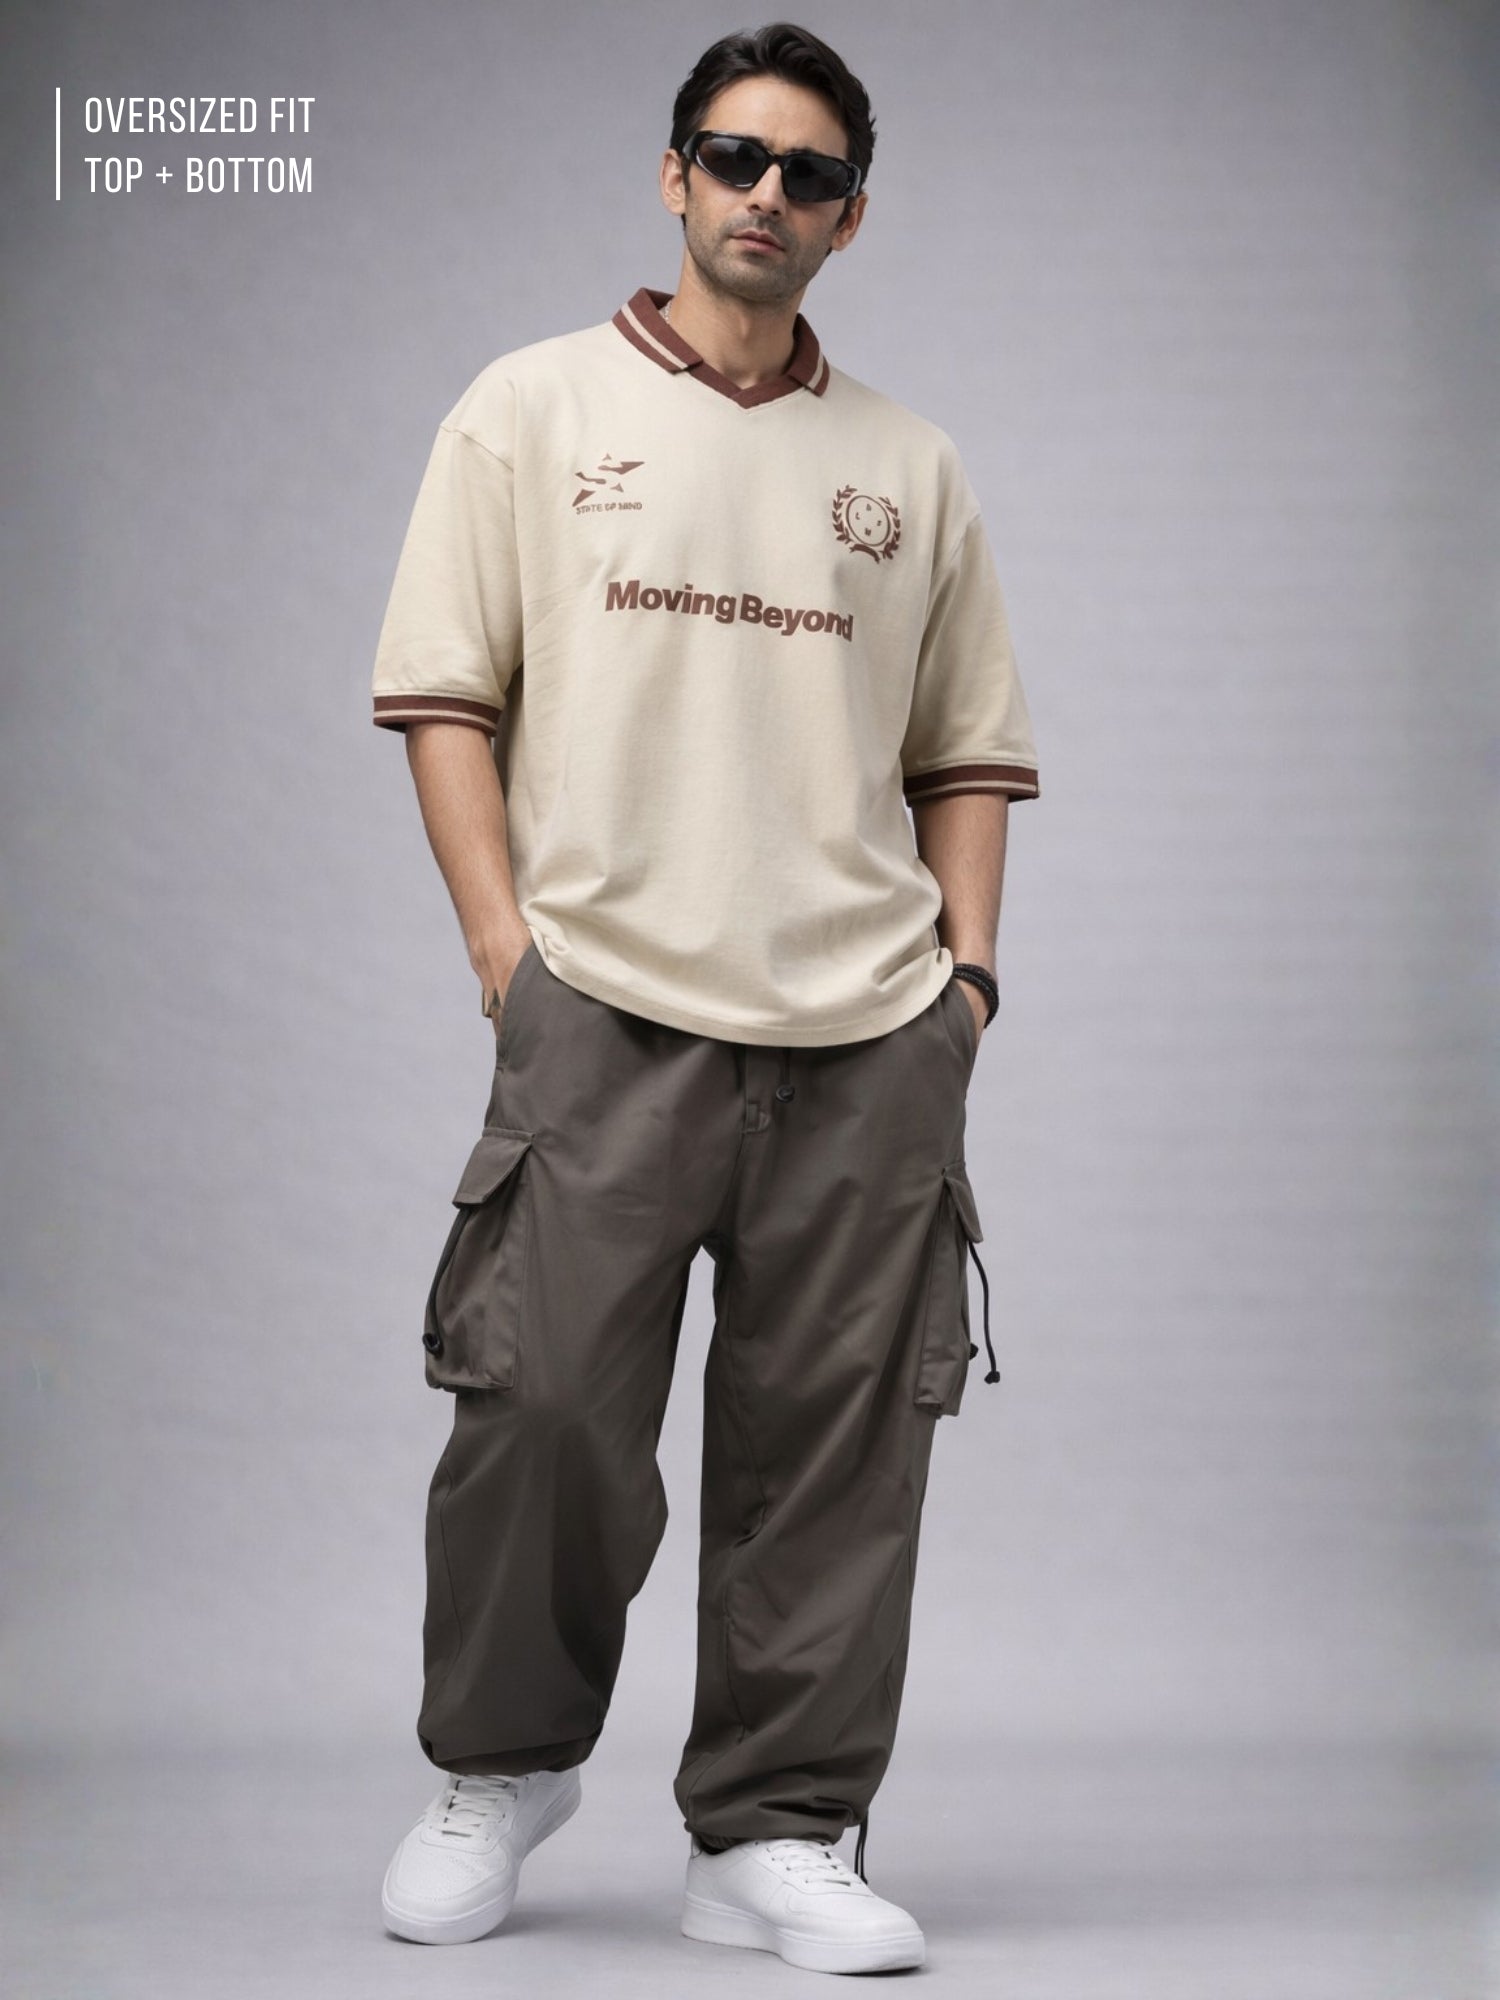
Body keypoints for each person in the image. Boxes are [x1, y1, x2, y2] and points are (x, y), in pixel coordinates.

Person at [368, 19, 1039, 1975]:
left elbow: (968, 751)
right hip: (603, 1008)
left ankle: (774, 1829)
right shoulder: (530, 409)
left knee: (833, 1452)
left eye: (809, 174)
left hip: (865, 1037)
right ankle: (500, 1767)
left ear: (849, 219)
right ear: (675, 176)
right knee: (543, 1412)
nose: (767, 195)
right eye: (735, 158)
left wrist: (967, 986)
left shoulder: (907, 465)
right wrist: (505, 958)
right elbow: (445, 696)